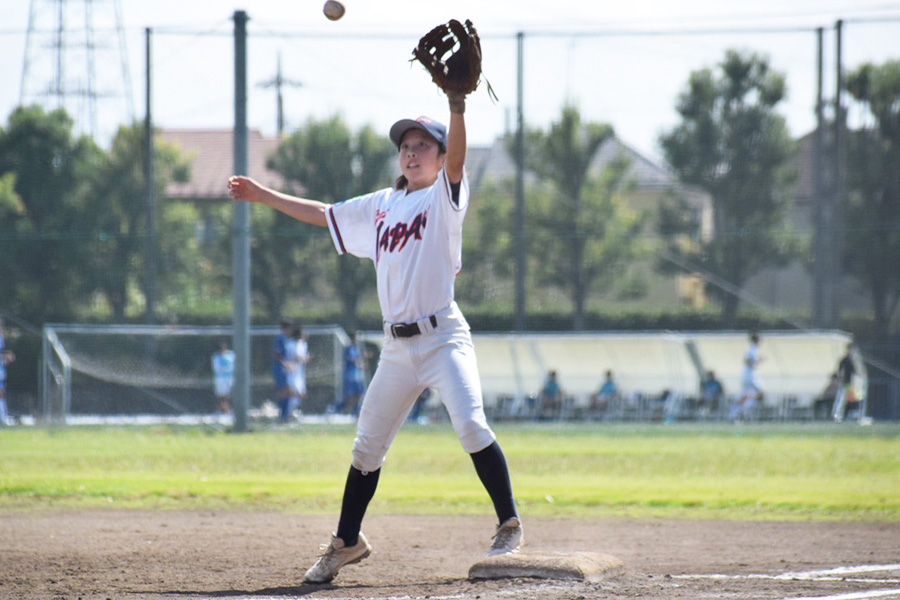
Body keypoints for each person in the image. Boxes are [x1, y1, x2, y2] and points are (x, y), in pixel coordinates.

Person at [228, 93, 522, 583]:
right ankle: (346, 542)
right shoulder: (382, 206)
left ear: (441, 156)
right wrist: (265, 197)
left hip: (443, 337)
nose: (411, 152)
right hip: (397, 349)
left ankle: (508, 524)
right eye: (405, 145)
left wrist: (457, 107)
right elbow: (326, 214)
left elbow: (461, 158)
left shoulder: (444, 196)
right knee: (366, 449)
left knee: (470, 425)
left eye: (423, 145)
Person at [731, 331, 764, 421]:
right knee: (760, 394)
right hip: (750, 376)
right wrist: (758, 361)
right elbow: (747, 361)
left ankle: (737, 412)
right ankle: (739, 412)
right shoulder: (752, 349)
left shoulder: (754, 349)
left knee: (747, 395)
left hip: (748, 375)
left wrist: (757, 361)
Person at [335, 331, 367, 416]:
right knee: (350, 395)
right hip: (351, 376)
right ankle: (348, 411)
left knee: (359, 393)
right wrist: (361, 361)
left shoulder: (358, 349)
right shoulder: (349, 349)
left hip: (358, 376)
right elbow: (353, 360)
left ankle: (355, 410)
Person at [273, 319, 298, 423]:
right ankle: (283, 416)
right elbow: (277, 354)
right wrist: (287, 364)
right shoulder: (280, 339)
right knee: (286, 392)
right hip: (280, 369)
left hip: (286, 369)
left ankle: (284, 415)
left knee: (287, 392)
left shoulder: (288, 339)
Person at [832, 342, 859, 422]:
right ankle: (836, 415)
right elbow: (840, 371)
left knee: (850, 400)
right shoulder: (844, 360)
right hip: (844, 383)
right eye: (851, 349)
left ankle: (847, 415)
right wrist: (839, 380)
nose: (852, 351)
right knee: (840, 399)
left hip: (850, 383)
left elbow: (855, 372)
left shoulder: (853, 360)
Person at [289, 324, 312, 417]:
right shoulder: (296, 343)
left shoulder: (303, 344)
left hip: (300, 371)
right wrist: (305, 358)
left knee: (301, 392)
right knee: (295, 391)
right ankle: (290, 412)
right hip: (294, 371)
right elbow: (297, 357)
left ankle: (295, 411)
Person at [211, 339, 236, 414]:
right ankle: (221, 409)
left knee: (229, 394)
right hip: (220, 378)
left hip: (230, 377)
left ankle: (228, 409)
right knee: (222, 394)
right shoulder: (216, 356)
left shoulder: (231, 355)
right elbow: (216, 368)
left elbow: (233, 365)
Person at [0, 320, 13, 426]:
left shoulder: (1, 338)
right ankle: (3, 418)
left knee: (2, 394)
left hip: (1, 371)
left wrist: (5, 358)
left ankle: (3, 417)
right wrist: (5, 356)